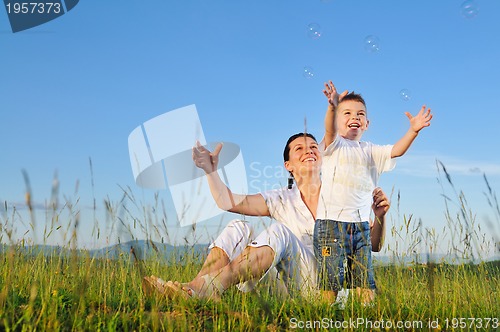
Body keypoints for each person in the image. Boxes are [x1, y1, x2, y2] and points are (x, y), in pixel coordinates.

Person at [143, 132, 390, 302]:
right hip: (284, 287)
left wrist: (379, 217)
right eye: (299, 149)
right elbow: (227, 201)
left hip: (323, 289)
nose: (310, 151)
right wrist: (210, 171)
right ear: (288, 165)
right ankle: (196, 290)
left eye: (314, 147)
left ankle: (201, 288)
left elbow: (374, 245)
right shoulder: (282, 198)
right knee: (238, 226)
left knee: (280, 232)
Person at [314, 81, 433, 304]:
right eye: (346, 113)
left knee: (364, 284)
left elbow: (396, 151)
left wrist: (413, 130)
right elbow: (329, 130)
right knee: (330, 285)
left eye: (360, 114)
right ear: (338, 121)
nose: (354, 117)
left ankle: (363, 318)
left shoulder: (371, 151)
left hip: (361, 227)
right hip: (330, 225)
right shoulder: (333, 145)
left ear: (367, 123)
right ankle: (322, 319)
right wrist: (332, 106)